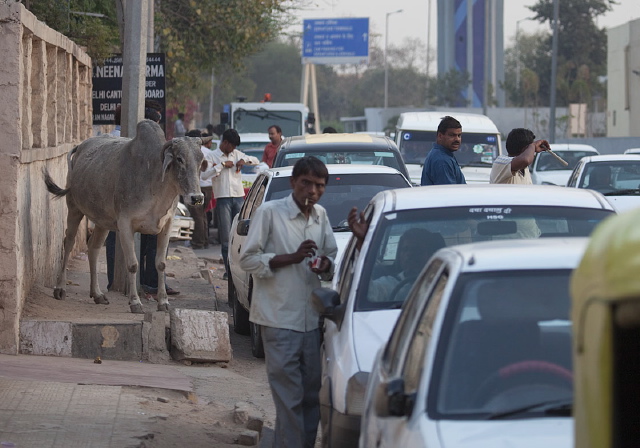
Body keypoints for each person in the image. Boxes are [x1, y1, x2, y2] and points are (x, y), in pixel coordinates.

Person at [238, 156, 338, 448]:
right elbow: (248, 259)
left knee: (311, 397)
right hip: (277, 320)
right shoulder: (270, 213)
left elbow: (330, 258)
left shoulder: (320, 216)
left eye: (319, 186)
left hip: (310, 321)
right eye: (306, 183)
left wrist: (324, 264)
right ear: (294, 182)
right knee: (289, 398)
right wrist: (290, 258)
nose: (312, 191)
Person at [208, 129, 260, 279]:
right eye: (232, 146)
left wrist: (244, 161)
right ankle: (229, 271)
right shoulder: (213, 156)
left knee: (243, 234)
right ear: (225, 143)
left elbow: (256, 160)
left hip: (238, 198)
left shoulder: (237, 155)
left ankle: (243, 269)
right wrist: (222, 165)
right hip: (223, 199)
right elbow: (204, 174)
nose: (233, 150)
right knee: (226, 239)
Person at [368, 228, 445, 303]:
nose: (409, 254)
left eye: (416, 250)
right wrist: (365, 244)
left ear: (430, 255)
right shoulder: (391, 283)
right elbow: (371, 294)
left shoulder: (444, 282)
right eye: (405, 249)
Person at [420, 115, 466, 185]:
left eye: (459, 135)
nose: (457, 139)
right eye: (452, 135)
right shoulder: (442, 160)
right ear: (440, 136)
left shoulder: (443, 155)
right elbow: (448, 192)